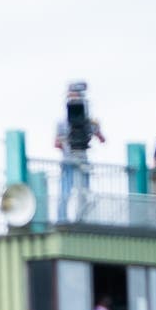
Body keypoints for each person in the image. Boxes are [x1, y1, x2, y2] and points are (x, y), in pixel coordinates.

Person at [54, 81, 102, 223]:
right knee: (65, 192)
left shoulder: (88, 122)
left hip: (83, 159)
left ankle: (84, 219)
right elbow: (56, 143)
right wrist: (65, 141)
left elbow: (101, 138)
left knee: (84, 192)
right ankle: (62, 219)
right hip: (68, 160)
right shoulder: (63, 122)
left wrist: (95, 128)